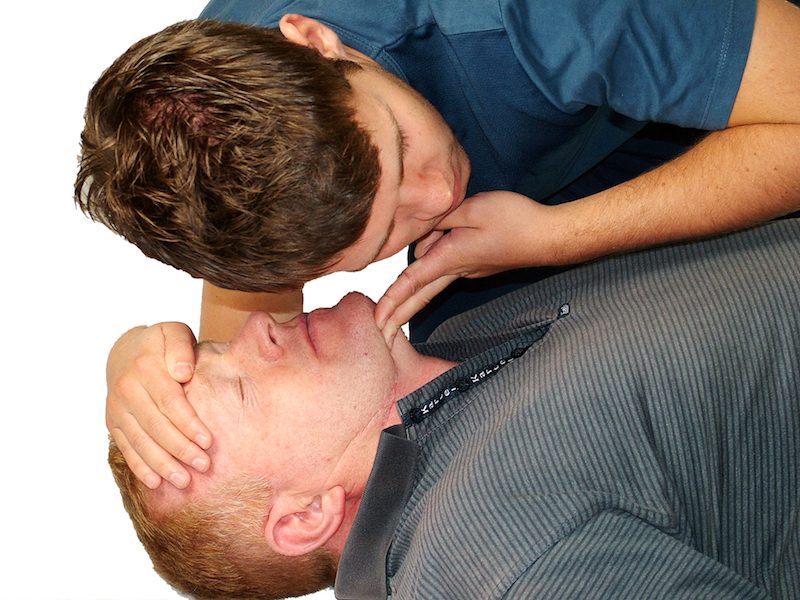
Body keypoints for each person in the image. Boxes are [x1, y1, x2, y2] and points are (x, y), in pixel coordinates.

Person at [80, 0, 800, 489]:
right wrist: (149, 374)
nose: (437, 197)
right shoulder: (219, 114)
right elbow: (256, 378)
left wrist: (557, 237)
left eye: (399, 150)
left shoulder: (537, 17)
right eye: (379, 238)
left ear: (317, 41)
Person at [109, 218, 799, 599]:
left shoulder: (455, 324)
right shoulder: (491, 563)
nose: (257, 327)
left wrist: (128, 353)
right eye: (241, 387)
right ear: (307, 515)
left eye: (217, 347)